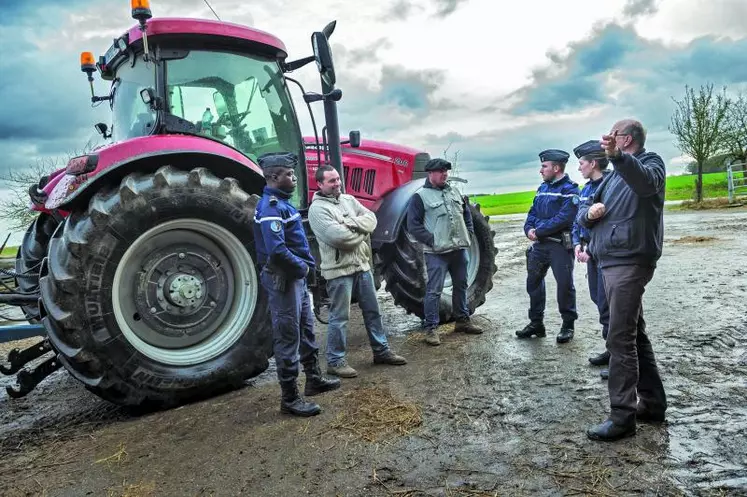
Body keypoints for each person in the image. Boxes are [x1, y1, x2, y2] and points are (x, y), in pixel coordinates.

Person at [577, 119, 668, 441]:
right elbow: (584, 208)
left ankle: (622, 417)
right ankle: (653, 405)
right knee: (634, 334)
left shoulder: (649, 164)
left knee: (619, 338)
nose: (608, 140)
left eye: (613, 135)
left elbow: (644, 184)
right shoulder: (612, 178)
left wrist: (617, 157)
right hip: (610, 260)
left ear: (626, 139)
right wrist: (588, 216)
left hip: (630, 260)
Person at [253, 152, 341, 417]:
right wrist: (303, 267)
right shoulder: (271, 207)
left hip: (295, 278)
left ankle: (313, 379)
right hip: (285, 279)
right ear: (274, 177)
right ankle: (290, 398)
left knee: (306, 329)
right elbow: (277, 250)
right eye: (289, 175)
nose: (294, 179)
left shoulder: (283, 203)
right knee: (288, 336)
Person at [308, 165, 407, 378]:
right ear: (320, 184)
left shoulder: (349, 200)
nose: (337, 184)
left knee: (373, 311)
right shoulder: (317, 210)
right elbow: (340, 239)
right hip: (339, 271)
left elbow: (372, 219)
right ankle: (335, 361)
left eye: (337, 179)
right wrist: (362, 231)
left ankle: (381, 351)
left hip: (362, 266)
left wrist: (351, 224)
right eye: (331, 181)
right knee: (340, 317)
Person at [407, 158, 484, 346]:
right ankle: (431, 328)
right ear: (430, 174)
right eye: (441, 171)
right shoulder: (420, 196)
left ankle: (462, 321)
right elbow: (413, 225)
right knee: (434, 291)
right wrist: (432, 240)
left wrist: (469, 233)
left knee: (461, 285)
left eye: (446, 172)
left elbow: (466, 214)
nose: (445, 174)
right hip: (436, 253)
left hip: (458, 250)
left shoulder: (454, 192)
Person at [516, 149, 579, 343]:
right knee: (533, 284)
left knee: (565, 286)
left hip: (559, 246)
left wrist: (539, 231)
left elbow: (564, 218)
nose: (541, 170)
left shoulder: (570, 189)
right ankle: (536, 323)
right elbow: (532, 212)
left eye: (544, 166)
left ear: (556, 167)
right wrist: (528, 229)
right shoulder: (542, 188)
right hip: (540, 247)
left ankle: (568, 325)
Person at [571, 140, 612, 379]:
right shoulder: (585, 189)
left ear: (593, 163)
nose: (579, 168)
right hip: (589, 253)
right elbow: (578, 220)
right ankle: (611, 350)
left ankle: (619, 357)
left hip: (603, 254)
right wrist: (577, 243)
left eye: (582, 163)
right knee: (599, 301)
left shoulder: (611, 185)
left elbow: (607, 225)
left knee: (611, 306)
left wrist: (591, 250)